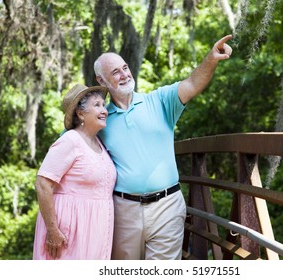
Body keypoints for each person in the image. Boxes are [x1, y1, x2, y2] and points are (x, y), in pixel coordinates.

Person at [94, 35, 233, 260]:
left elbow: (191, 84)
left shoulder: (158, 101)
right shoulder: (99, 119)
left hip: (167, 206)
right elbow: (72, 145)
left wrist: (211, 58)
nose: (124, 75)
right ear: (101, 81)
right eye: (116, 72)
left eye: (125, 68)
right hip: (123, 210)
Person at [33, 84, 117, 260]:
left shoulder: (99, 143)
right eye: (97, 105)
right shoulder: (70, 141)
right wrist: (53, 230)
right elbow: (42, 184)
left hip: (96, 230)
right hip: (70, 230)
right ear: (80, 113)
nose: (105, 110)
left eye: (104, 105)